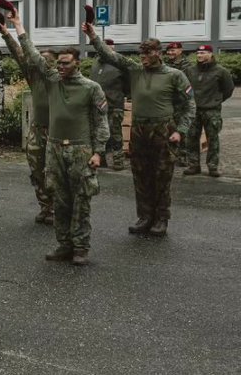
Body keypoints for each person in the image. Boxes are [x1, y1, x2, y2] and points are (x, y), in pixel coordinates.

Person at [0, 14, 108, 265]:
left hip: (81, 150)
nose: (60, 66)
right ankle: (64, 244)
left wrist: (98, 152)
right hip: (54, 148)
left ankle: (80, 247)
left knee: (80, 200)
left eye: (66, 63)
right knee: (59, 198)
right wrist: (17, 27)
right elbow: (32, 55)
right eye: (58, 63)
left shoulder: (91, 88)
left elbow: (101, 122)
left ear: (77, 64)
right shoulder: (52, 81)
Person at [84, 25, 195, 237]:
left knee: (162, 175)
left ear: (158, 53)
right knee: (140, 175)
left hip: (163, 129)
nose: (143, 57)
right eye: (141, 53)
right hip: (139, 130)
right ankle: (144, 216)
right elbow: (111, 55)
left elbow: (190, 105)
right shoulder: (135, 71)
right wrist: (92, 36)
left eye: (148, 53)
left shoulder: (175, 75)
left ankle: (161, 218)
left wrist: (181, 130)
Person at [1, 16, 57, 224]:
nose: (40, 62)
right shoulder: (34, 77)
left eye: (46, 60)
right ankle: (45, 207)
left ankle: (58, 208)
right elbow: (19, 54)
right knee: (36, 170)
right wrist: (6, 33)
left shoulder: (59, 81)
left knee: (54, 173)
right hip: (37, 130)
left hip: (56, 132)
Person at [183, 44, 234, 177]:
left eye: (203, 53)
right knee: (192, 137)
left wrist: (216, 100)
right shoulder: (190, 70)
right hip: (194, 110)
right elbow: (185, 87)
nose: (200, 55)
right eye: (198, 53)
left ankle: (212, 167)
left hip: (212, 110)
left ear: (211, 54)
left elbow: (228, 89)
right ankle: (193, 165)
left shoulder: (221, 71)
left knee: (213, 139)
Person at [90, 39, 129, 171]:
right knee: (100, 133)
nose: (108, 50)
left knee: (115, 134)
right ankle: (102, 159)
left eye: (111, 48)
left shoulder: (120, 65)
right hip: (98, 106)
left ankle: (118, 160)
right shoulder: (95, 63)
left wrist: (119, 96)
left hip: (114, 105)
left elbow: (128, 85)